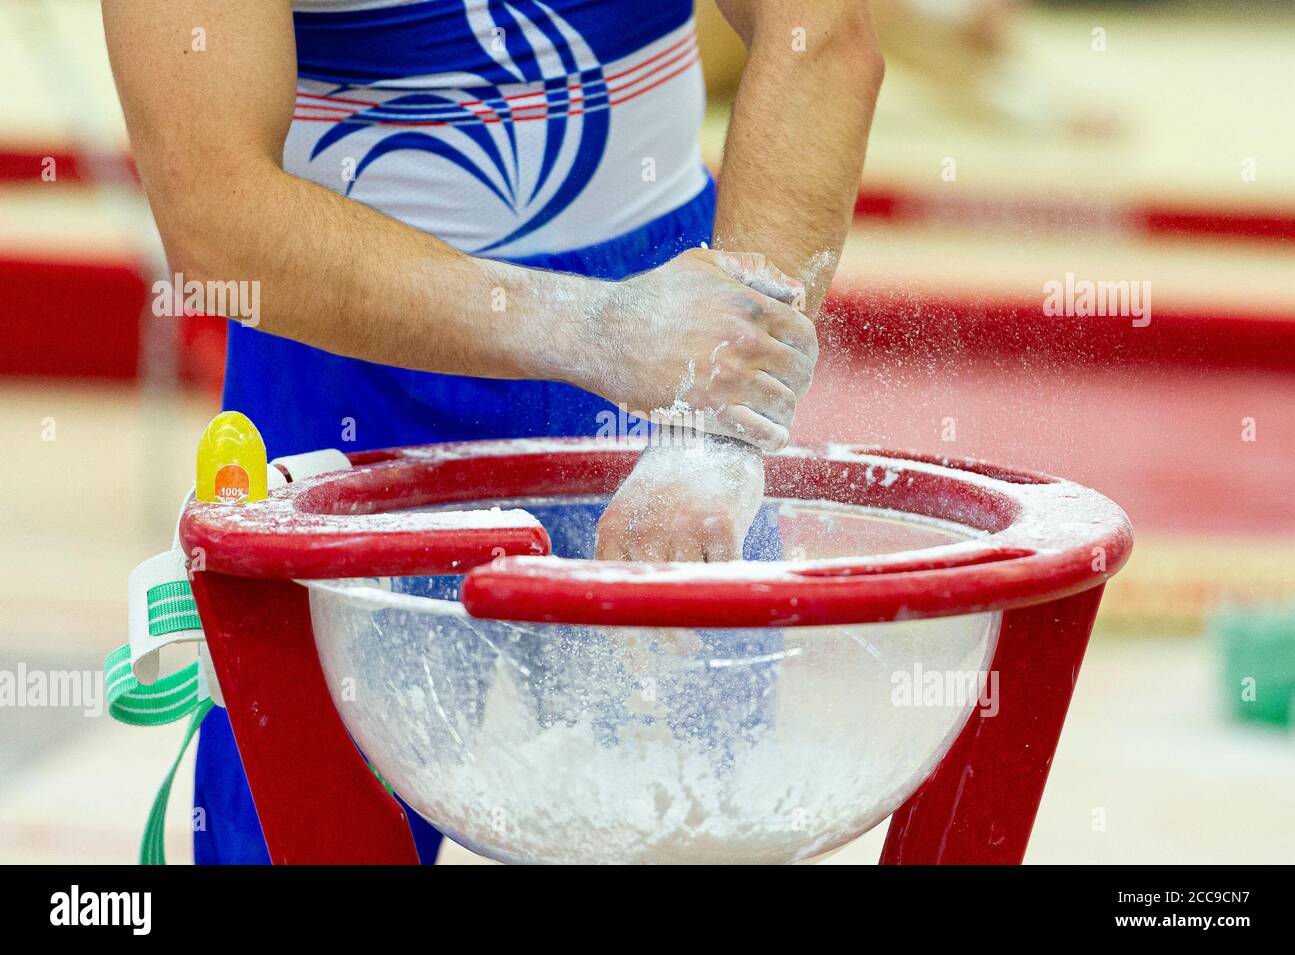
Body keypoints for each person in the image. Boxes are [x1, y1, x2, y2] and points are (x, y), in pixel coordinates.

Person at [103, 0, 883, 863]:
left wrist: (713, 434)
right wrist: (595, 330)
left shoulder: (678, 362)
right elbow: (215, 219)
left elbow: (823, 37)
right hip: (349, 356)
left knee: (685, 827)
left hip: (669, 346)